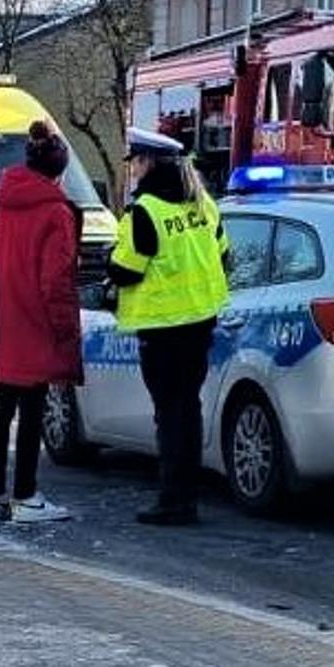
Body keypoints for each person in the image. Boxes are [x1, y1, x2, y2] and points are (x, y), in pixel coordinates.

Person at [108, 127, 230, 526]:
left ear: (147, 162)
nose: (134, 170)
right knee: (187, 410)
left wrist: (110, 265)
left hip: (161, 327)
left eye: (136, 162)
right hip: (200, 320)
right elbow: (225, 255)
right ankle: (186, 494)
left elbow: (126, 271)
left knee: (169, 413)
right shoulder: (203, 204)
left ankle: (174, 499)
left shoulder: (144, 211)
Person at [0, 121, 82, 524]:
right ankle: (25, 495)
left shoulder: (1, 202)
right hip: (37, 324)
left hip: (4, 320)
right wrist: (65, 331)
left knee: (2, 409)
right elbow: (56, 281)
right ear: (58, 172)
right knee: (32, 412)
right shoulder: (56, 211)